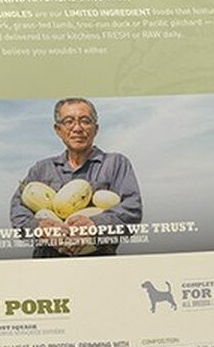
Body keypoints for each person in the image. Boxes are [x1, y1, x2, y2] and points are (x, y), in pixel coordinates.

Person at [10, 98, 142, 256]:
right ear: (58, 130)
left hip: (99, 263)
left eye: (85, 121)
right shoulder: (41, 169)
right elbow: (18, 212)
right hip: (48, 263)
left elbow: (132, 210)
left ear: (96, 129)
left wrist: (95, 225)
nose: (77, 128)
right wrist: (39, 227)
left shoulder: (115, 164)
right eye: (69, 121)